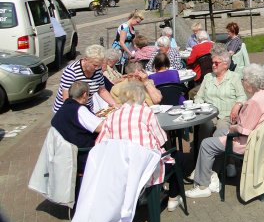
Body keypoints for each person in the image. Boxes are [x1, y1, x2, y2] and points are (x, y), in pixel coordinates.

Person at [186, 64, 264, 198]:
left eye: (244, 80)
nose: (242, 82)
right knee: (218, 133)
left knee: (206, 144)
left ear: (250, 83)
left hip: (248, 142)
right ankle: (214, 175)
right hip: (263, 139)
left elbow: (244, 130)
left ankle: (203, 186)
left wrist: (232, 127)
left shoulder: (254, 102)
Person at [96, 80, 183, 212]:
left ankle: (146, 194)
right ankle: (173, 198)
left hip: (122, 168)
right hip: (147, 168)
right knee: (176, 155)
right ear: (141, 96)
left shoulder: (111, 116)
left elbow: (100, 144)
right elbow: (162, 139)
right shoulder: (145, 112)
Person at [193, 44, 247, 149]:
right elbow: (199, 97)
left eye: (216, 63)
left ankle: (221, 157)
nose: (213, 65)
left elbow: (242, 96)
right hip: (209, 114)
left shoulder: (234, 77)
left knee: (221, 131)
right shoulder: (208, 77)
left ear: (225, 64)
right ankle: (203, 153)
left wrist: (237, 105)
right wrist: (200, 106)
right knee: (205, 127)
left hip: (227, 115)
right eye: (212, 62)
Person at [51, 81, 103, 171]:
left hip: (64, 155)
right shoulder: (79, 110)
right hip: (82, 156)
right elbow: (101, 127)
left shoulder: (61, 110)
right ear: (85, 95)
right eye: (89, 94)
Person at [53, 45, 116, 113]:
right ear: (85, 59)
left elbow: (102, 90)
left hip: (86, 108)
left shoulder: (98, 69)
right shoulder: (71, 71)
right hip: (68, 110)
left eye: (99, 65)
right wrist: (80, 114)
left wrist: (114, 104)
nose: (97, 68)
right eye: (94, 65)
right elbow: (66, 98)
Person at [48, 2, 67, 71]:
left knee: (57, 52)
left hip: (58, 36)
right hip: (63, 34)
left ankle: (57, 67)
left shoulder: (47, 19)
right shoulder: (53, 18)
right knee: (60, 51)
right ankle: (59, 64)